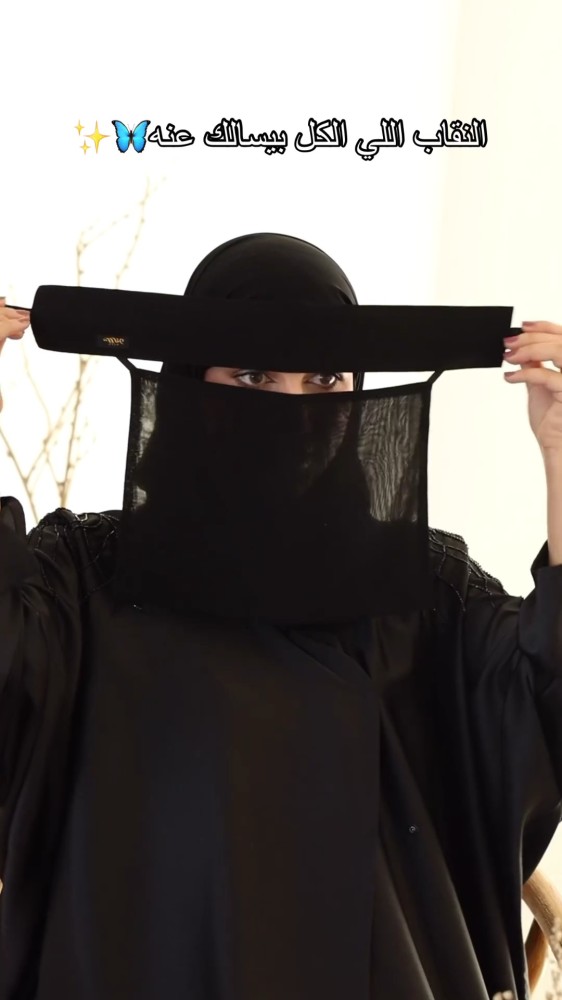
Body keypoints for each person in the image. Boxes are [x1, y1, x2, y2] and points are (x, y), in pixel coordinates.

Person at [0, 232, 561, 1000]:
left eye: (324, 378)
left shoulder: (424, 589)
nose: (292, 411)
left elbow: (547, 696)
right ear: (192, 383)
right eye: (253, 375)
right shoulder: (89, 577)